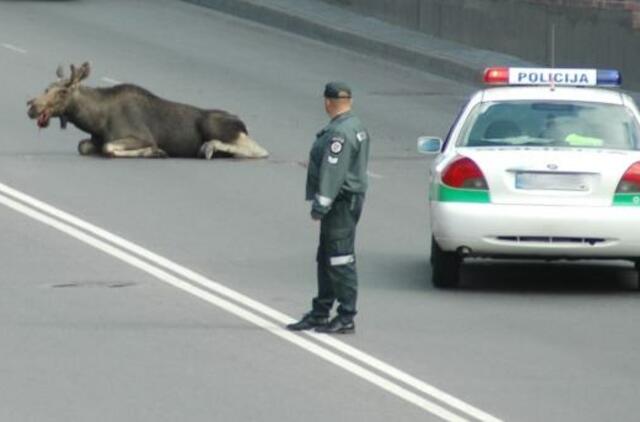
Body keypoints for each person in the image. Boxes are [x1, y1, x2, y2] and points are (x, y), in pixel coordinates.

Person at [287, 81, 370, 334]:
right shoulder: (354, 126)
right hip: (346, 200)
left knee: (339, 257)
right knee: (327, 257)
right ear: (350, 101)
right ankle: (321, 312)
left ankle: (346, 316)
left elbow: (333, 172)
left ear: (327, 102)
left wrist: (321, 205)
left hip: (340, 202)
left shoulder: (340, 134)